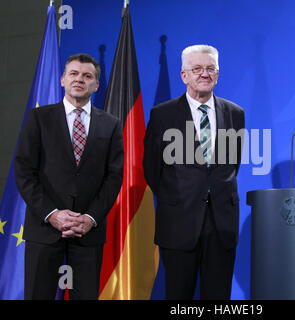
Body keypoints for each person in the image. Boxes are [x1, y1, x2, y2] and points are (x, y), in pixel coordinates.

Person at [15, 53, 124, 299]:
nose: (79, 79)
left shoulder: (111, 124)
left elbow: (114, 177)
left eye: (87, 76)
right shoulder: (39, 118)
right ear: (62, 80)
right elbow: (24, 171)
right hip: (44, 230)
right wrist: (52, 214)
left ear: (96, 85)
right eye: (73, 74)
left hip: (88, 233)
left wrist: (90, 218)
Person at [143, 45, 245, 299]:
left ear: (218, 75)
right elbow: (152, 169)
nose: (204, 74)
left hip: (222, 225)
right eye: (197, 68)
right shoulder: (162, 114)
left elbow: (234, 164)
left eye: (210, 68)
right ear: (184, 75)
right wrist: (179, 196)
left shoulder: (235, 114)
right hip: (179, 222)